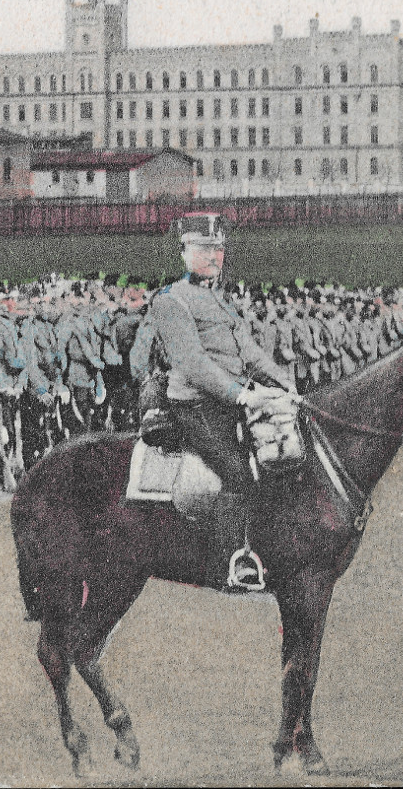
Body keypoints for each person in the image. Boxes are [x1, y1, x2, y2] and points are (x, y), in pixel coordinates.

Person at [140, 213, 297, 592]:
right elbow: (192, 364)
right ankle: (229, 564)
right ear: (184, 252)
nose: (214, 256)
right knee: (238, 472)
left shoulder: (219, 300)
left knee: (276, 458)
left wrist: (286, 385)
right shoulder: (170, 300)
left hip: (229, 401)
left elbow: (252, 353)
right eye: (204, 248)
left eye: (219, 248)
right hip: (194, 404)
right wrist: (242, 394)